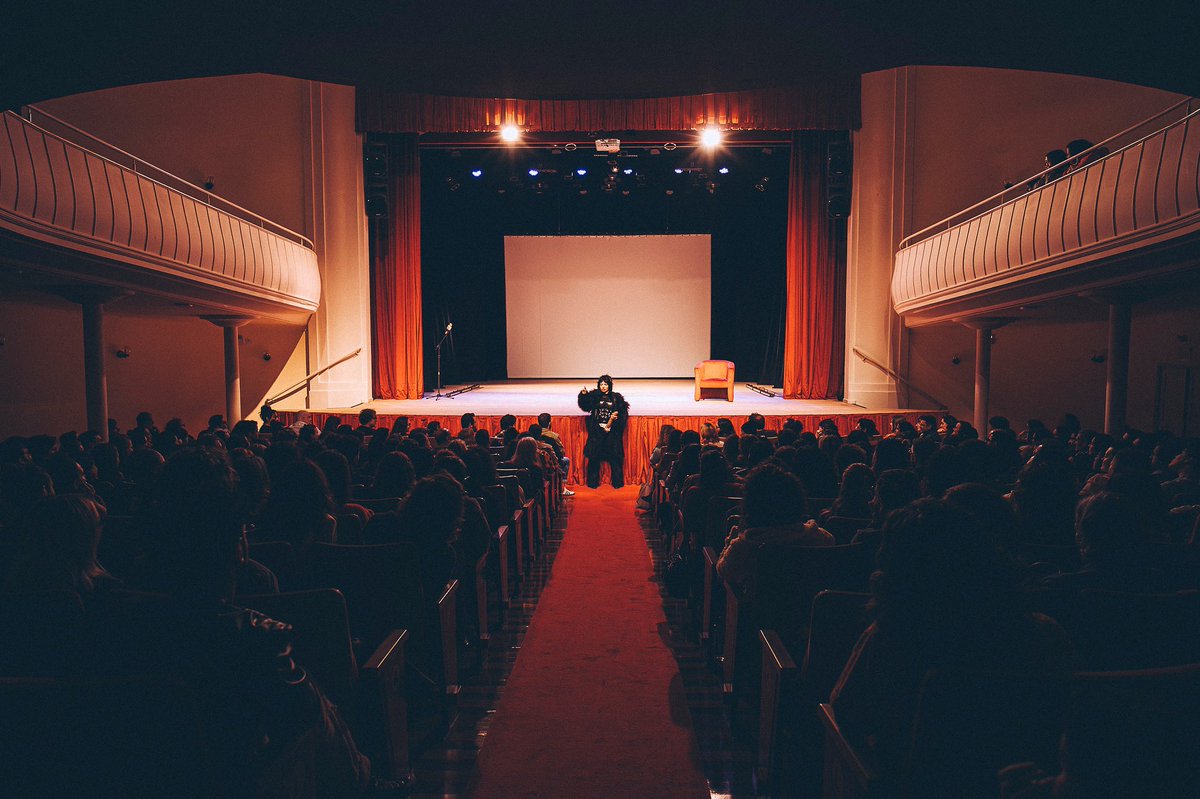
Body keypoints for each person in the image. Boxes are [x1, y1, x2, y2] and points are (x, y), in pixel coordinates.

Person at [577, 374, 629, 489]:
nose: (603, 386)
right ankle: (592, 482)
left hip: (612, 434)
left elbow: (623, 414)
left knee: (615, 459)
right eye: (601, 384)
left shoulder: (617, 398)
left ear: (609, 385)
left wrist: (614, 425)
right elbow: (585, 406)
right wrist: (583, 396)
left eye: (605, 384)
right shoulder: (594, 396)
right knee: (594, 458)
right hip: (597, 433)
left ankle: (618, 483)